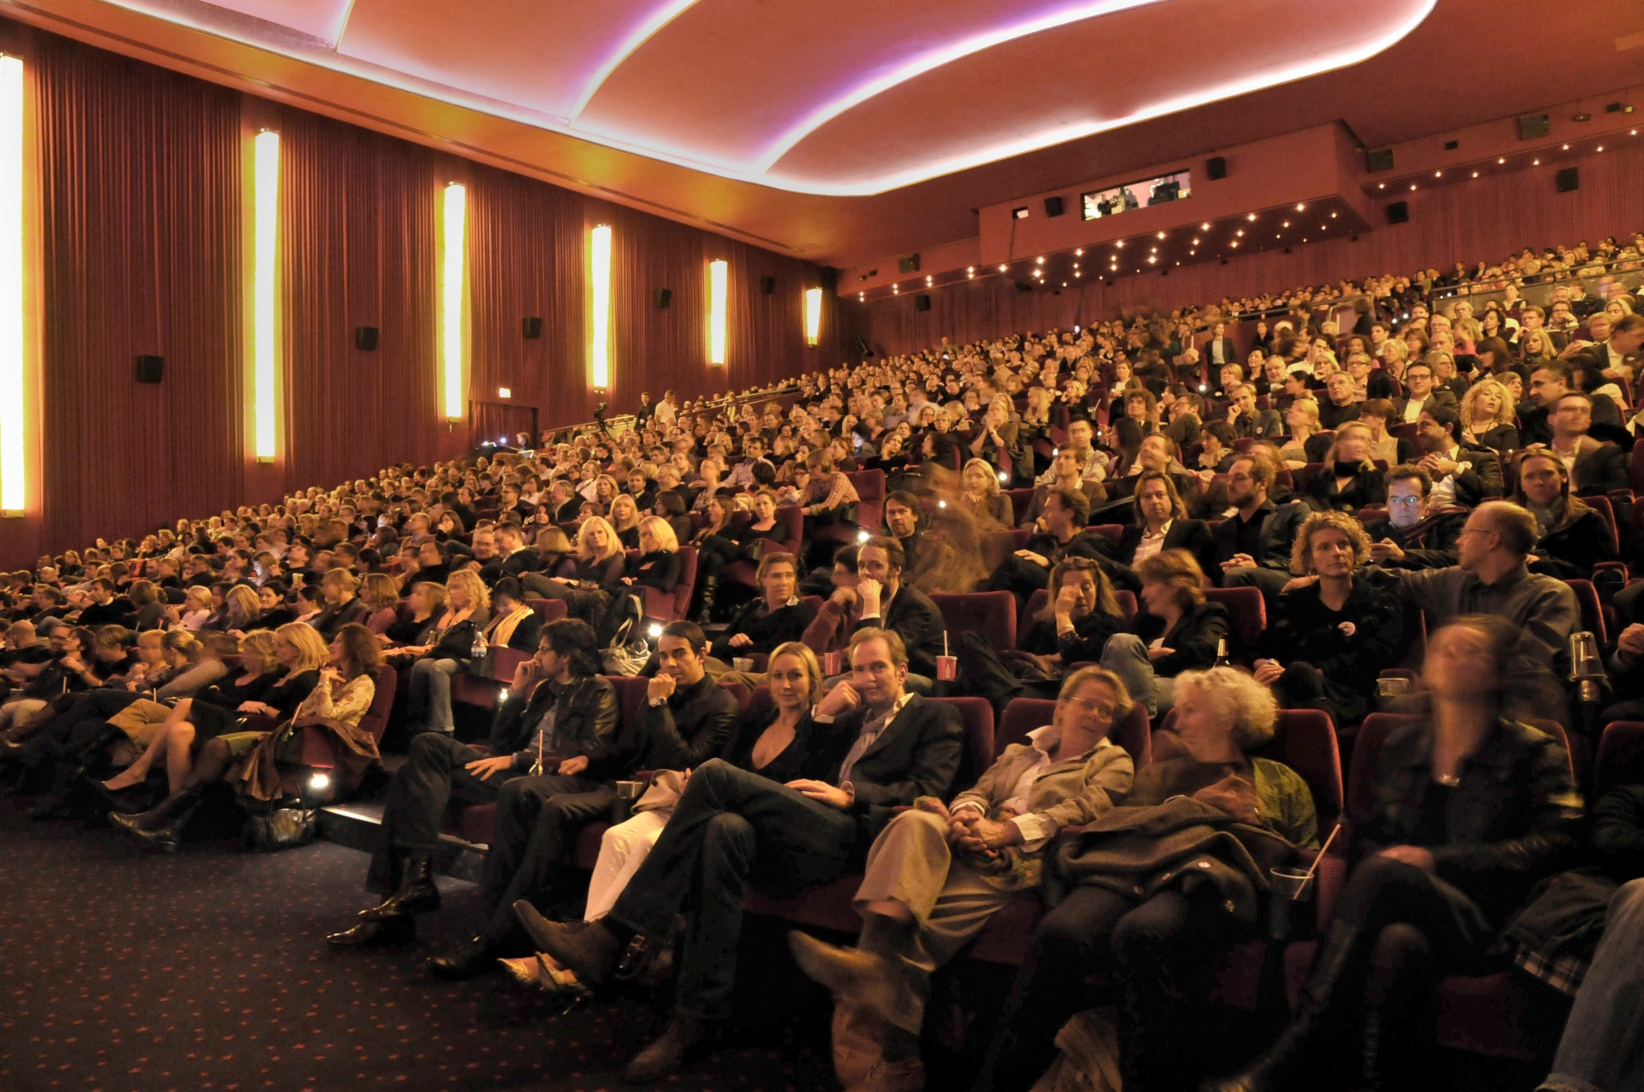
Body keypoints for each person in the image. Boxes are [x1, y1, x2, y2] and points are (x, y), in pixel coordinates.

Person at [520, 628, 964, 1082]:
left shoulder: (935, 717)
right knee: (722, 829)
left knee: (714, 774)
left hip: (866, 838)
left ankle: (611, 934)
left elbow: (927, 792)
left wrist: (852, 793)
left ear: (902, 671)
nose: (867, 677)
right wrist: (824, 717)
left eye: (878, 667)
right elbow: (802, 769)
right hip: (808, 827)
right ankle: (696, 1018)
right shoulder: (847, 719)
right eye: (858, 668)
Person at [1205, 616, 1583, 1092]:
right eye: (1443, 648)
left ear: (1496, 673)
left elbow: (1561, 842)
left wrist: (1437, 861)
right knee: (1396, 946)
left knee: (1385, 874)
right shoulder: (1404, 745)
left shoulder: (1531, 750)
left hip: (1487, 918)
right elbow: (1368, 834)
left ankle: (1291, 1054)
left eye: (1469, 650)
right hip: (1394, 913)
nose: (1450, 656)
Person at [789, 667, 1138, 1090]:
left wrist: (1005, 831)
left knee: (924, 921)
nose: (1096, 715)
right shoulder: (1020, 751)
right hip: (970, 835)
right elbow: (979, 789)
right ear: (1062, 706)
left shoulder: (1115, 761)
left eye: (1107, 711)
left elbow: (1084, 810)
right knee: (915, 822)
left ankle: (898, 1054)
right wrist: (965, 815)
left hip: (1021, 857)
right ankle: (874, 973)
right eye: (1088, 703)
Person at [979, 667, 1318, 1092]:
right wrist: (1190, 805)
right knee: (1061, 933)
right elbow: (1118, 829)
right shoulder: (1159, 775)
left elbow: (1302, 852)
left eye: (1191, 710)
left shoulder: (1279, 780)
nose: (1175, 719)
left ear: (1230, 717)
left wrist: (1256, 823)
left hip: (1206, 877)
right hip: (1132, 870)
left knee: (1141, 935)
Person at [427, 621, 739, 980]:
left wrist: (658, 703)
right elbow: (625, 751)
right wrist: (591, 760)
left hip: (661, 800)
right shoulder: (658, 694)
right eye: (664, 655)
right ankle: (507, 926)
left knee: (559, 808)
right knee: (530, 797)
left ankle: (506, 935)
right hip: (624, 788)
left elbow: (684, 762)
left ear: (702, 654)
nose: (669, 664)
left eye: (679, 654)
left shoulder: (720, 704)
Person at [327, 618, 618, 951]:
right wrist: (518, 692)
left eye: (544, 648)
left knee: (422, 756)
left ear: (566, 656)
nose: (536, 655)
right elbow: (501, 740)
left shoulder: (598, 690)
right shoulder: (543, 691)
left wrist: (516, 761)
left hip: (541, 780)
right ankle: (409, 889)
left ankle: (406, 897)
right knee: (416, 764)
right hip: (507, 770)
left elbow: (588, 752)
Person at [115, 624, 380, 847]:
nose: (331, 645)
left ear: (353, 648)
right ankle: (170, 825)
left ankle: (163, 820)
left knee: (216, 745)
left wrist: (324, 682)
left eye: (338, 641)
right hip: (285, 733)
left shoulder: (362, 683)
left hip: (311, 743)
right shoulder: (336, 677)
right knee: (207, 741)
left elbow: (327, 716)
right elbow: (301, 712)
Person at [1253, 510, 1405, 726]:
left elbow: (1377, 656)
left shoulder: (1379, 599)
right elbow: (1264, 651)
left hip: (1357, 697)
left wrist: (1312, 674)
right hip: (1295, 692)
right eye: (1324, 547)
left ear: (1354, 551)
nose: (1337, 552)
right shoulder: (1294, 602)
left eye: (1343, 544)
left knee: (1300, 674)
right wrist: (1269, 667)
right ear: (1310, 559)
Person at [956, 555, 1131, 716]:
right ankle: (1007, 700)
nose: (1078, 595)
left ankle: (1006, 702)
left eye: (1085, 587)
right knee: (968, 640)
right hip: (1020, 683)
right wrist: (1048, 658)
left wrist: (1063, 617)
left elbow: (1077, 655)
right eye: (1069, 588)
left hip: (1055, 691)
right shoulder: (1046, 624)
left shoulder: (1108, 623)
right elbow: (1022, 654)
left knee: (980, 685)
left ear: (1096, 590)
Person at [1100, 549, 1230, 718]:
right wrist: (1146, 657)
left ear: (1175, 584)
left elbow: (1201, 653)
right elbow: (1122, 660)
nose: (1143, 593)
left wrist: (1143, 660)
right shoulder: (1146, 622)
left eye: (1150, 585)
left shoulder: (1209, 612)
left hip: (1182, 687)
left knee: (1123, 642)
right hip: (1139, 686)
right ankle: (1137, 720)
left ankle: (1136, 723)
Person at [982, 488, 1112, 615]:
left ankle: (976, 604)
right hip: (1034, 603)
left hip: (1065, 591)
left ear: (1068, 514)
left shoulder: (1092, 543)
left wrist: (1049, 563)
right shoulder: (1039, 541)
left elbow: (1098, 580)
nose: (1042, 516)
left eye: (1049, 509)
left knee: (1014, 562)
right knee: (1014, 600)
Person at [400, 570, 491, 737]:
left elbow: (463, 644)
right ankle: (415, 722)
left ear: (470, 589)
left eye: (456, 588)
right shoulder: (450, 612)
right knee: (420, 665)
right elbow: (427, 637)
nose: (450, 592)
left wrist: (433, 647)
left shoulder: (480, 612)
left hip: (469, 657)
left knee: (438, 667)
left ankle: (443, 728)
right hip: (446, 654)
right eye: (450, 588)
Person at [1510, 451, 1618, 581]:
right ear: (1521, 485)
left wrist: (1544, 563)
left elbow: (1597, 573)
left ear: (1563, 477)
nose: (1538, 482)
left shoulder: (1588, 519)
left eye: (1547, 474)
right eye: (1529, 476)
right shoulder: (1507, 522)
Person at [1214, 453, 1307, 605]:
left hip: (1287, 584)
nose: (1229, 484)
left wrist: (1257, 568)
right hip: (1236, 584)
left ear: (1262, 484)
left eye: (1239, 478)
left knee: (1238, 574)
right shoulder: (1225, 527)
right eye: (1228, 478)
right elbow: (1217, 571)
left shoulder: (1291, 512)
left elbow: (1305, 559)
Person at [707, 551, 815, 678]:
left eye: (789, 576)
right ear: (763, 580)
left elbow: (773, 651)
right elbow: (723, 638)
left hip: (765, 674)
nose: (784, 582)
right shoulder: (755, 606)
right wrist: (730, 641)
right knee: (694, 664)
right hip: (732, 665)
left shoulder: (797, 611)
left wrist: (735, 647)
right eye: (777, 576)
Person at [1107, 470, 1217, 589]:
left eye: (1160, 495)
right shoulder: (1130, 533)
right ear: (1139, 503)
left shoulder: (1192, 529)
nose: (1154, 501)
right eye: (1147, 496)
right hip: (1132, 593)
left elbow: (1198, 575)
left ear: (1171, 498)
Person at [520, 516, 626, 626]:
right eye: (591, 534)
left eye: (600, 532)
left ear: (608, 534)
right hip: (574, 592)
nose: (596, 536)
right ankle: (543, 631)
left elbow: (607, 586)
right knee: (530, 594)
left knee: (529, 578)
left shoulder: (616, 557)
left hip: (588, 596)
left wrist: (574, 582)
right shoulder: (587, 559)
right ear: (586, 538)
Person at [1364, 464, 1465, 571]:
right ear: (1387, 504)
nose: (1403, 506)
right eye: (1395, 500)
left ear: (1427, 501)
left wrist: (1404, 556)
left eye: (1411, 500)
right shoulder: (1369, 529)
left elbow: (1454, 558)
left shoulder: (1449, 523)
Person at [1536, 392, 1629, 495]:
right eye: (1569, 409)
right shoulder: (1537, 456)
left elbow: (1620, 486)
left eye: (1584, 411)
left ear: (1589, 421)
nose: (1577, 414)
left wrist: (1574, 493)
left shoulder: (1607, 453)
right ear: (1551, 419)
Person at [1413, 404, 1504, 509]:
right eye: (1417, 427)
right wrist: (1413, 478)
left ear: (1447, 429)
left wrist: (1458, 469)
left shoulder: (1481, 459)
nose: (1417, 433)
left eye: (1425, 425)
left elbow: (1495, 494)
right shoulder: (1414, 465)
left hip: (1463, 520)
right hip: (1423, 521)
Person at [1304, 421, 1387, 512]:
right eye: (1358, 438)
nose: (1364, 445)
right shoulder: (1320, 477)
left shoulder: (1374, 476)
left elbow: (1373, 512)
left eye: (1368, 441)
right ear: (1340, 443)